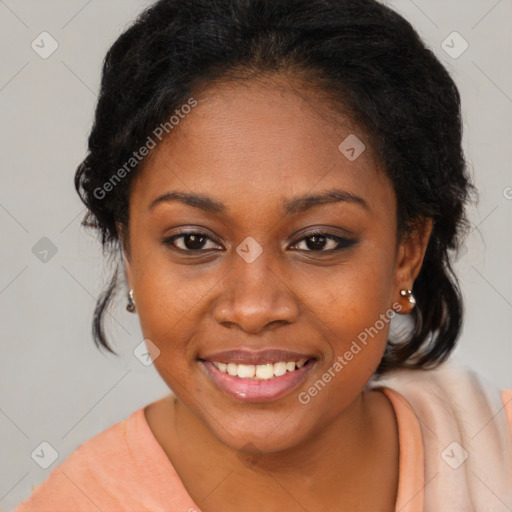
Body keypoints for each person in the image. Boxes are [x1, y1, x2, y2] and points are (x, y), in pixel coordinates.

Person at [14, 0, 512, 511]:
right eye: (193, 241)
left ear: (406, 253)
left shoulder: (493, 452)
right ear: (130, 254)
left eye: (317, 242)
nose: (253, 308)